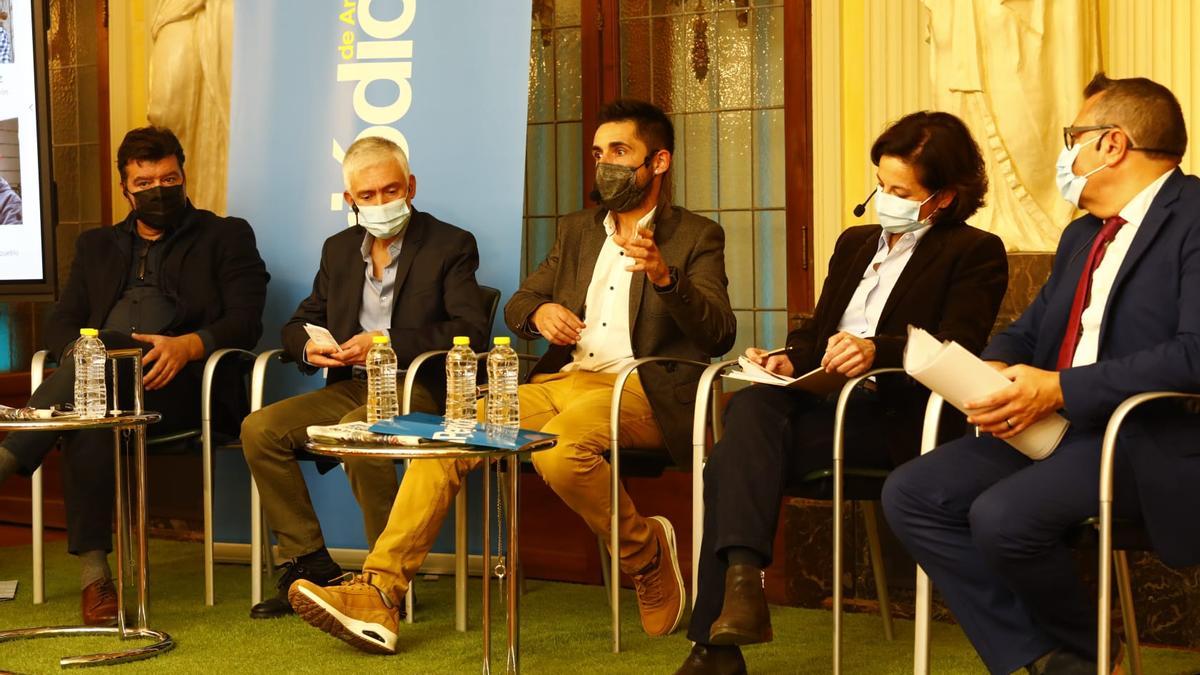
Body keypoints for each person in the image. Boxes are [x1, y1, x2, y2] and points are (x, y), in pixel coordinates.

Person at [288, 99, 737, 655]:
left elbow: (718, 332)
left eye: (620, 152)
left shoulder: (695, 235)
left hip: (642, 387)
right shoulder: (578, 230)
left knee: (559, 450)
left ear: (659, 162)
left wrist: (666, 278)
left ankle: (643, 552)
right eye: (598, 154)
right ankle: (379, 593)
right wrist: (539, 313)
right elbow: (522, 300)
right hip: (564, 379)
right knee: (452, 434)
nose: (605, 166)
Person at [882, 73, 1200, 675]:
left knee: (1003, 517)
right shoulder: (1084, 233)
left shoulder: (1195, 218)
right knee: (913, 493)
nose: (1065, 152)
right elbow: (1031, 330)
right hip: (1048, 427)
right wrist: (993, 366)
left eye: (1071, 136)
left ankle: (1081, 655)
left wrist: (1061, 388)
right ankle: (1050, 657)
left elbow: (1195, 353)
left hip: (1139, 436)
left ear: (1112, 145)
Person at [674, 111, 1009, 674]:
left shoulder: (974, 251)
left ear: (945, 197)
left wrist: (877, 348)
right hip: (823, 407)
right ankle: (737, 597)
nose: (886, 199)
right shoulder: (855, 244)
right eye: (881, 185)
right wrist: (788, 358)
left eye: (901, 191)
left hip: (896, 416)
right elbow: (816, 334)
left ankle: (721, 634)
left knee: (731, 456)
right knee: (753, 403)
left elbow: (960, 342)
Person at [0, 126, 269, 626]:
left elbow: (246, 319)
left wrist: (191, 345)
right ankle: (96, 580)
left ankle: (11, 454)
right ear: (126, 189)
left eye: (169, 179)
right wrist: (87, 357)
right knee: (95, 388)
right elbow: (62, 321)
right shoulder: (97, 245)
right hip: (107, 386)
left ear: (184, 175)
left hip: (187, 386)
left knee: (98, 371)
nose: (158, 191)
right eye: (144, 184)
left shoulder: (226, 235)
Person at [239, 136, 490, 619]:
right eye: (368, 195)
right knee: (260, 429)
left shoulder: (450, 244)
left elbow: (470, 329)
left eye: (390, 190)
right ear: (350, 199)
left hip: (420, 387)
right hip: (356, 385)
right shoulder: (338, 250)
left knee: (363, 427)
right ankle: (311, 566)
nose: (380, 203)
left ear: (411, 186)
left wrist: (385, 340)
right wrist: (309, 346)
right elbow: (297, 321)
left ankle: (382, 584)